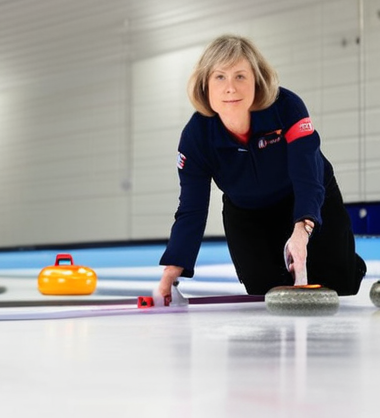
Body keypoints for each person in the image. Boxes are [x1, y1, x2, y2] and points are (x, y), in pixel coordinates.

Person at [157, 35, 366, 301]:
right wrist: (173, 268)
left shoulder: (287, 107)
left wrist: (302, 230)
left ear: (256, 80)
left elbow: (307, 175)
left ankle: (348, 261)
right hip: (248, 214)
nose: (230, 88)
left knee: (337, 284)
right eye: (219, 77)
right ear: (204, 86)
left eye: (240, 76)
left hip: (305, 195)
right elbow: (192, 208)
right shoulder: (195, 137)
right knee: (265, 293)